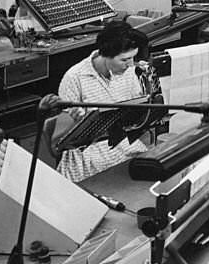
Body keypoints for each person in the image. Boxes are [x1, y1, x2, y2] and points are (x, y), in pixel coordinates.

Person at [56, 20, 148, 183]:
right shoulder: (74, 78)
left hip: (121, 141)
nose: (130, 65)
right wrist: (75, 122)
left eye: (133, 58)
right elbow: (59, 141)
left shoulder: (129, 71)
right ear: (105, 54)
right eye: (124, 60)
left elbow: (135, 115)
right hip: (88, 152)